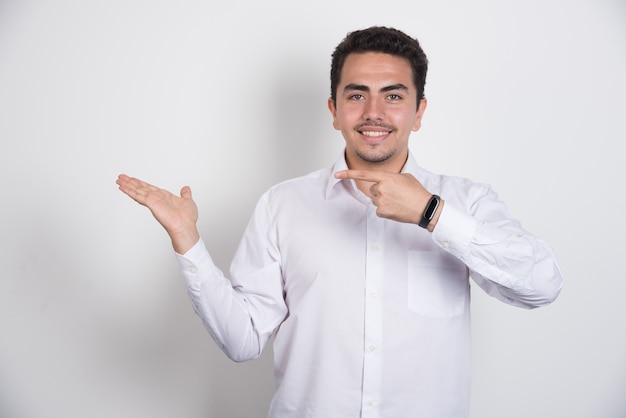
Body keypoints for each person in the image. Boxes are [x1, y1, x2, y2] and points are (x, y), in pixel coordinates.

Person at [117, 26, 563, 418]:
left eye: (393, 95)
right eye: (356, 95)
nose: (374, 112)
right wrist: (187, 240)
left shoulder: (467, 201)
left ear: (419, 111)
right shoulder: (281, 205)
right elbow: (243, 340)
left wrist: (432, 214)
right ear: (333, 109)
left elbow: (541, 284)